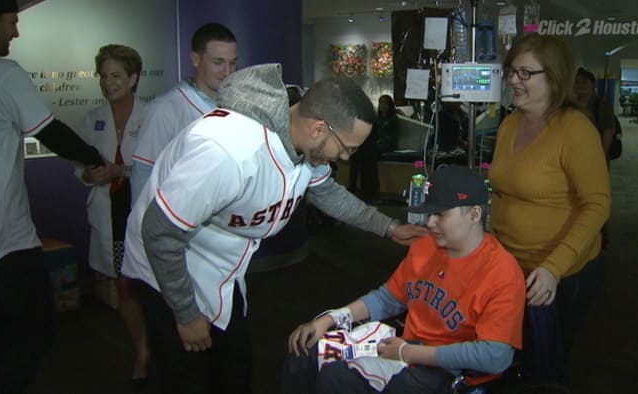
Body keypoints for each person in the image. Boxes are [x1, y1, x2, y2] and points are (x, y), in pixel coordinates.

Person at [121, 63, 428, 394]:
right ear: (318, 128)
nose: (346, 159)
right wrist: (185, 314)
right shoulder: (227, 150)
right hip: (168, 269)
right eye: (346, 148)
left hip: (220, 271)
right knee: (188, 376)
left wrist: (389, 228)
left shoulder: (305, 147)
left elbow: (327, 192)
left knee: (234, 367)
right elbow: (160, 232)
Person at [282, 165, 526, 394]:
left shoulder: (501, 273)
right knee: (305, 352)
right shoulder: (425, 246)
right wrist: (330, 318)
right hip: (403, 346)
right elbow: (388, 298)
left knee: (337, 379)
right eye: (431, 214)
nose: (431, 223)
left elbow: (495, 357)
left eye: (440, 214)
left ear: (474, 214)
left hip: (443, 370)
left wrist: (410, 352)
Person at [490, 33, 611, 384]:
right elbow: (503, 191)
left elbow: (598, 204)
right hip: (512, 266)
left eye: (526, 73)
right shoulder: (510, 123)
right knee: (515, 356)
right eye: (512, 71)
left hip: (561, 273)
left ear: (554, 78)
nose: (514, 79)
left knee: (547, 367)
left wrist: (553, 268)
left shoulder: (575, 129)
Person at [0, 1, 104, 392]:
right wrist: (97, 159)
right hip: (7, 245)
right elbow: (50, 131)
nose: (16, 33)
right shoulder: (5, 74)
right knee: (33, 333)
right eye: (10, 22)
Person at [74, 44, 149, 390]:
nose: (108, 83)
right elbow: (81, 167)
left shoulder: (151, 115)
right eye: (104, 76)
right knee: (124, 285)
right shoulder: (93, 118)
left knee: (149, 284)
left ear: (133, 78)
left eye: (116, 76)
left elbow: (160, 166)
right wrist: (88, 175)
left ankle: (160, 341)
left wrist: (120, 168)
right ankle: (141, 349)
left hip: (143, 213)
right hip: (111, 211)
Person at [129, 22, 237, 201]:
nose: (227, 71)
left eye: (232, 63)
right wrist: (144, 227)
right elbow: (143, 174)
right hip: (180, 222)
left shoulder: (237, 106)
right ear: (195, 59)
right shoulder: (165, 109)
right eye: (218, 62)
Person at [574, 67, 616, 161]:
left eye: (585, 82)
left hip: (595, 152)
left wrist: (601, 156)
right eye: (577, 82)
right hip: (575, 153)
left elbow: (609, 132)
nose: (581, 86)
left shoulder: (602, 106)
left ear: (593, 84)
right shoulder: (571, 106)